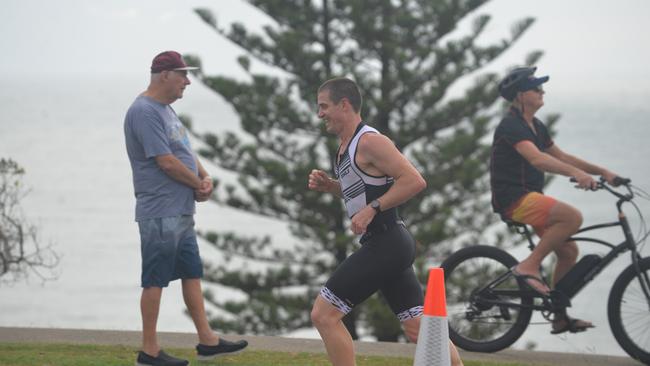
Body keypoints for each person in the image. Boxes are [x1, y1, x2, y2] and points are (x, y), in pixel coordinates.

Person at [308, 77, 463, 366]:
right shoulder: (347, 146)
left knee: (324, 315)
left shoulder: (370, 141)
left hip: (387, 242)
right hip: (390, 243)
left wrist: (373, 209)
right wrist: (332, 186)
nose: (320, 114)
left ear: (344, 105)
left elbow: (414, 181)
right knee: (420, 328)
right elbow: (365, 188)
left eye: (324, 106)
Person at [124, 50, 248, 366]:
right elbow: (165, 162)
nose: (188, 81)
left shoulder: (166, 110)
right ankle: (148, 352)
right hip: (160, 211)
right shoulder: (144, 111)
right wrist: (197, 184)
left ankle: (207, 340)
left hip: (179, 210)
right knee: (154, 279)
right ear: (165, 75)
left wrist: (203, 178)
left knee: (192, 272)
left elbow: (182, 150)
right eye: (183, 75)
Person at [490, 66, 620, 334]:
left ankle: (559, 317)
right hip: (514, 199)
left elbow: (562, 157)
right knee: (571, 217)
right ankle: (529, 265)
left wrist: (602, 172)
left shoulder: (535, 126)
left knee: (569, 252)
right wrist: (577, 174)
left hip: (530, 197)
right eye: (536, 88)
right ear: (520, 95)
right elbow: (537, 159)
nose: (542, 92)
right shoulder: (511, 126)